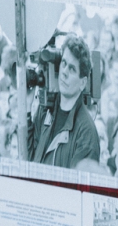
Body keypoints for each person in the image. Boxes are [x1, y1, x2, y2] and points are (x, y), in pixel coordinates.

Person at [28, 36, 105, 172]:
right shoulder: (45, 110)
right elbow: (28, 162)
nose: (64, 72)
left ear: (82, 83)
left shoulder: (86, 133)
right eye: (63, 63)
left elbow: (76, 189)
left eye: (72, 69)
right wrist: (26, 109)